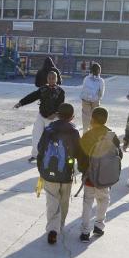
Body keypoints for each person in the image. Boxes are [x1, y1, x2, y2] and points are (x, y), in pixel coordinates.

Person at [38, 103, 82, 245]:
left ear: (57, 114)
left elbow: (40, 148)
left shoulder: (49, 129)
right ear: (72, 117)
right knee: (64, 201)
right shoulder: (73, 131)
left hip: (49, 173)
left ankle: (53, 229)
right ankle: (60, 226)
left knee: (52, 200)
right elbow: (78, 152)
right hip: (66, 173)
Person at [77, 107, 119, 242]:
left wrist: (84, 171)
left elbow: (81, 157)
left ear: (92, 119)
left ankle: (85, 232)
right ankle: (99, 226)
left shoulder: (87, 135)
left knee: (87, 202)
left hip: (90, 178)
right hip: (105, 178)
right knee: (103, 201)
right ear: (106, 120)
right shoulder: (111, 135)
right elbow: (119, 155)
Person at [15, 70, 66, 164]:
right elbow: (32, 97)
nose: (51, 80)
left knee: (52, 139)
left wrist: (55, 114)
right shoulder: (43, 89)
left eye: (53, 78)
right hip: (41, 116)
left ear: (56, 79)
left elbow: (61, 105)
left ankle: (52, 156)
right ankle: (35, 155)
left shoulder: (60, 92)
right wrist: (21, 103)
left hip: (52, 118)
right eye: (49, 78)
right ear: (47, 79)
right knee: (36, 135)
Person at [79, 62, 105, 130]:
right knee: (95, 116)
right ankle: (92, 130)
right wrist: (99, 98)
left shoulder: (86, 78)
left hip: (85, 99)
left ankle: (85, 130)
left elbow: (84, 88)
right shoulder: (101, 81)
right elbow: (101, 92)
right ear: (99, 71)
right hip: (95, 100)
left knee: (85, 116)